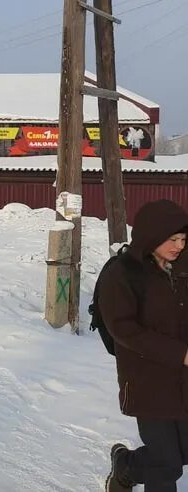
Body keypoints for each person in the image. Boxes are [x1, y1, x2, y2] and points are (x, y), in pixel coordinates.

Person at [99, 198, 188, 491]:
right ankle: (125, 467)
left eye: (183, 239)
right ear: (151, 235)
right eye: (172, 239)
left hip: (183, 380)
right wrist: (180, 354)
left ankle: (126, 466)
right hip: (147, 381)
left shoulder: (183, 267)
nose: (179, 246)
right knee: (167, 463)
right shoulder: (123, 273)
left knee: (182, 453)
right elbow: (123, 329)